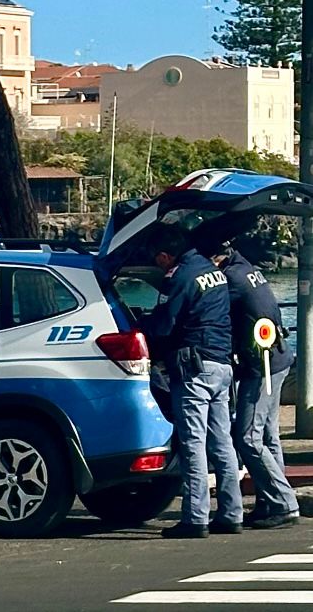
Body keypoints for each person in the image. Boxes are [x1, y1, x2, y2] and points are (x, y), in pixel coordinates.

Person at [141, 224, 242, 538]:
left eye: (156, 258)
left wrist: (140, 325)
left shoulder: (182, 278)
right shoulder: (212, 272)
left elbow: (164, 326)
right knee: (222, 442)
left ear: (164, 255)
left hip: (194, 368)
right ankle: (231, 513)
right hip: (222, 366)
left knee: (193, 443)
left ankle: (195, 518)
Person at [210, 244, 299, 529]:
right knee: (268, 436)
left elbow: (214, 312)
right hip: (277, 358)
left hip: (261, 366)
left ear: (215, 258)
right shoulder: (248, 269)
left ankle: (283, 502)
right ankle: (269, 500)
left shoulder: (231, 279)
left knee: (248, 436)